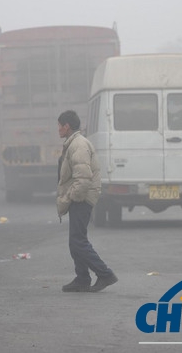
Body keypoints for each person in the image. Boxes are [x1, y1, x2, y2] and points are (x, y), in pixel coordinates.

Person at [56, 110, 118, 293]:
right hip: (80, 196)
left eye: (59, 126)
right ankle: (82, 278)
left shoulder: (79, 145)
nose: (58, 129)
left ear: (67, 126)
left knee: (78, 241)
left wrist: (71, 198)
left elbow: (83, 178)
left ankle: (105, 274)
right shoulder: (73, 143)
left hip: (81, 197)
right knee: (76, 241)